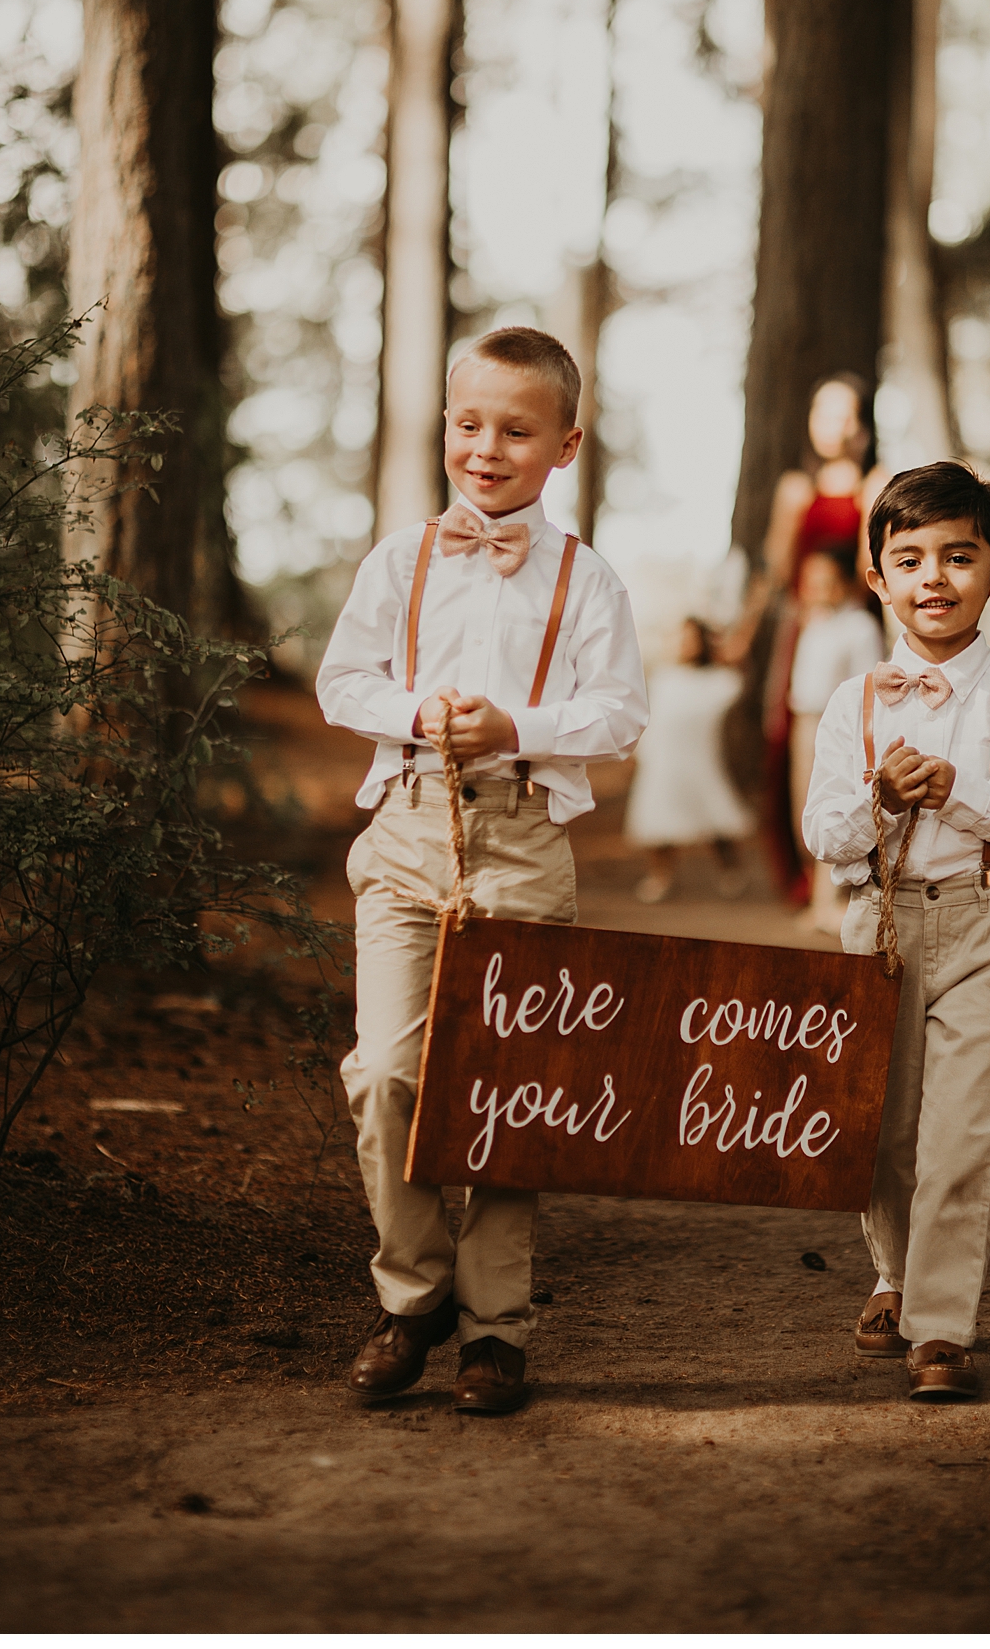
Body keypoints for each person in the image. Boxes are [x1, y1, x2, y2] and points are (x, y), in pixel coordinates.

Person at [317, 328, 648, 1416]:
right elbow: (341, 679)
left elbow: (620, 710)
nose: (487, 447)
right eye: (469, 423)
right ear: (445, 426)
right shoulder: (400, 559)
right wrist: (419, 710)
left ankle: (495, 1325)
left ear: (564, 444)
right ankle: (411, 1295)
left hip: (521, 834)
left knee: (509, 1086)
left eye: (516, 428)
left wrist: (520, 726)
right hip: (409, 826)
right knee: (388, 1071)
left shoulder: (585, 577)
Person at [802, 462, 990, 1402]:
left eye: (959, 558)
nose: (934, 578)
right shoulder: (854, 704)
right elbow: (821, 834)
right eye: (909, 559)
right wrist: (877, 797)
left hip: (983, 920)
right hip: (878, 921)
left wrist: (966, 790)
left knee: (961, 1130)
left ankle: (940, 1327)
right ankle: (893, 1274)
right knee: (881, 1124)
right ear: (876, 576)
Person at [755, 373, 889, 901]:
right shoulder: (795, 488)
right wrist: (745, 633)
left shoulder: (874, 482)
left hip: (854, 624)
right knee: (790, 747)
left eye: (844, 415)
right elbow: (774, 566)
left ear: (861, 426)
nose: (833, 426)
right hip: (801, 629)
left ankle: (853, 875)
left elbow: (870, 565)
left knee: (857, 747)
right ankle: (804, 876)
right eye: (823, 413)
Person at [787, 547, 884, 932]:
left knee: (834, 803)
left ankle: (836, 902)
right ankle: (817, 899)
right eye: (811, 580)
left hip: (839, 726)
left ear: (843, 582)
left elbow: (868, 682)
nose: (816, 588)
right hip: (804, 721)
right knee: (805, 807)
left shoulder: (860, 626)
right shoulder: (812, 623)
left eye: (825, 579)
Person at [624, 616, 754, 904]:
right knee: (658, 817)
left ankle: (730, 871)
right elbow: (650, 720)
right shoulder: (663, 678)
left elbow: (743, 691)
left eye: (692, 637)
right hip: (663, 758)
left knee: (715, 814)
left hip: (702, 757)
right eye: (681, 638)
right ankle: (661, 875)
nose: (685, 644)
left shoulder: (721, 680)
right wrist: (637, 755)